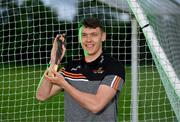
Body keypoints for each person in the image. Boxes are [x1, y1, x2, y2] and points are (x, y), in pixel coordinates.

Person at [36, 17, 125, 122]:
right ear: (79, 38)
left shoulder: (114, 66)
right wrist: (54, 62)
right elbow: (42, 95)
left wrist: (65, 84)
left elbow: (96, 105)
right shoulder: (70, 67)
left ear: (103, 36)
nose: (88, 39)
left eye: (94, 34)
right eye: (84, 35)